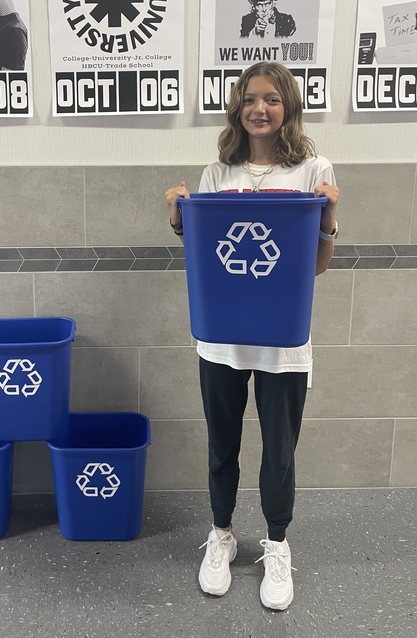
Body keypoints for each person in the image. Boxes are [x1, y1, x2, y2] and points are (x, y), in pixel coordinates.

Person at [165, 62, 339, 611]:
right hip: (223, 339)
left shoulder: (314, 170)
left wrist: (329, 218)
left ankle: (277, 544)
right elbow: (206, 262)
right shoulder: (219, 172)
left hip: (282, 341)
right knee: (223, 443)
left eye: (271, 99)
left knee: (279, 452)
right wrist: (178, 218)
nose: (258, 108)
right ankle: (221, 534)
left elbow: (315, 268)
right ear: (237, 107)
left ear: (288, 105)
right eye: (248, 98)